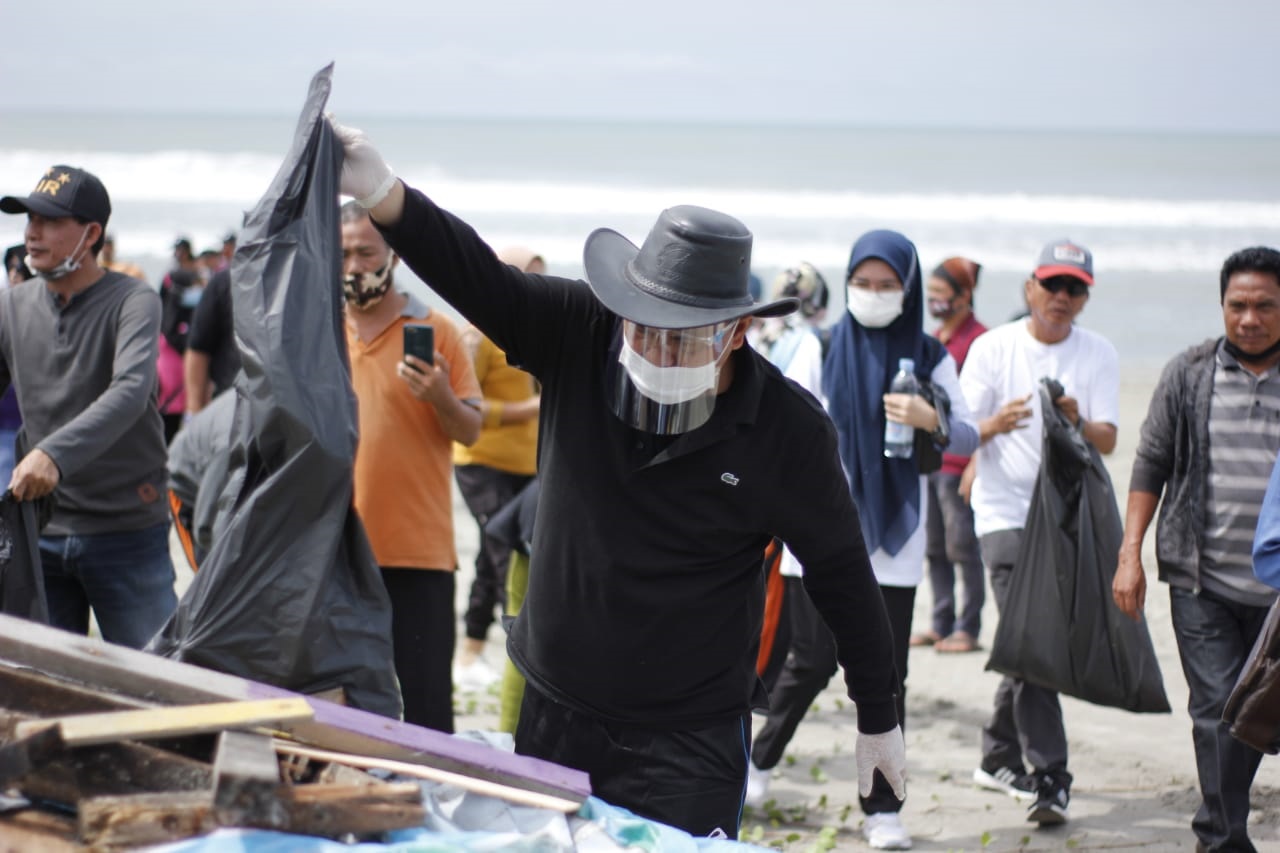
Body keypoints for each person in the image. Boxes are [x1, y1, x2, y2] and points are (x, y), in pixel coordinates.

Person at [330, 118, 907, 840]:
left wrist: (878, 714)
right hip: (557, 714)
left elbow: (841, 572)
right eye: (645, 326)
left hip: (690, 740)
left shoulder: (788, 431)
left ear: (735, 331)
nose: (658, 348)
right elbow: (475, 274)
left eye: (683, 335)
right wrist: (386, 194)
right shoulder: (578, 332)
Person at [1113, 246, 1280, 852]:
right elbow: (1150, 461)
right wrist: (1130, 553)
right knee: (1215, 709)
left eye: (1264, 305)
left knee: (1257, 715)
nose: (1249, 319)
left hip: (1278, 591)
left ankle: (1220, 826)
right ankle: (1223, 838)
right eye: (1238, 305)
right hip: (1200, 577)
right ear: (1222, 306)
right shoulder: (1188, 373)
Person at [817, 231, 979, 849]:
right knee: (801, 665)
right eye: (863, 283)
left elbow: (965, 436)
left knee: (886, 678)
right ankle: (761, 762)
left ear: (907, 290)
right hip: (821, 535)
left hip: (895, 544)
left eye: (888, 286)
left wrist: (929, 419)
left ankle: (883, 808)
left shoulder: (930, 354)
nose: (874, 295)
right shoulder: (821, 344)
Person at [960, 238, 1118, 825]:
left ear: (1085, 298)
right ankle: (1051, 776)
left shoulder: (1097, 353)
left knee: (1031, 641)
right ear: (1029, 287)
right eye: (1052, 284)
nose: (1062, 296)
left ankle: (997, 754)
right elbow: (960, 430)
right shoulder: (992, 347)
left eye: (1075, 288)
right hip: (1001, 513)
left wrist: (1077, 418)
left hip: (1067, 518)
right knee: (1037, 636)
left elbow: (1109, 441)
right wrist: (996, 424)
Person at [0, 165, 176, 648]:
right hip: (39, 533)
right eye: (29, 219)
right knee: (46, 690)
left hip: (127, 531)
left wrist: (53, 455)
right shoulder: (11, 307)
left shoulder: (134, 301)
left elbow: (130, 391)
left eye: (50, 221)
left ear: (92, 233)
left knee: (159, 691)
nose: (32, 233)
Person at [340, 200, 482, 732]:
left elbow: (470, 428)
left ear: (393, 255)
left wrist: (441, 393)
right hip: (336, 547)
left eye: (366, 252)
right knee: (341, 701)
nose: (355, 265)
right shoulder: (319, 327)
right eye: (343, 254)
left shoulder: (436, 329)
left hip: (419, 552)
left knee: (426, 706)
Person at [452, 245, 543, 691]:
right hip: (481, 462)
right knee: (500, 559)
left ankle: (480, 654)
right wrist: (526, 410)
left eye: (543, 279)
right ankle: (483, 655)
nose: (538, 289)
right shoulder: (478, 334)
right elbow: (463, 403)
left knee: (508, 561)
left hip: (527, 467)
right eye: (529, 277)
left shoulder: (537, 333)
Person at [911, 257, 988, 654]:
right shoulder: (935, 339)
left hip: (960, 462)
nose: (935, 302)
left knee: (963, 546)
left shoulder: (980, 341)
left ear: (965, 296)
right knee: (934, 546)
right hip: (931, 461)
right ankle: (940, 623)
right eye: (932, 295)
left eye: (943, 295)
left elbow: (984, 412)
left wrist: (976, 463)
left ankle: (968, 626)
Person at [183, 263, 239, 417]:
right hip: (231, 409)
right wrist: (194, 410)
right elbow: (198, 348)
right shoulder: (225, 281)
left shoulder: (308, 277)